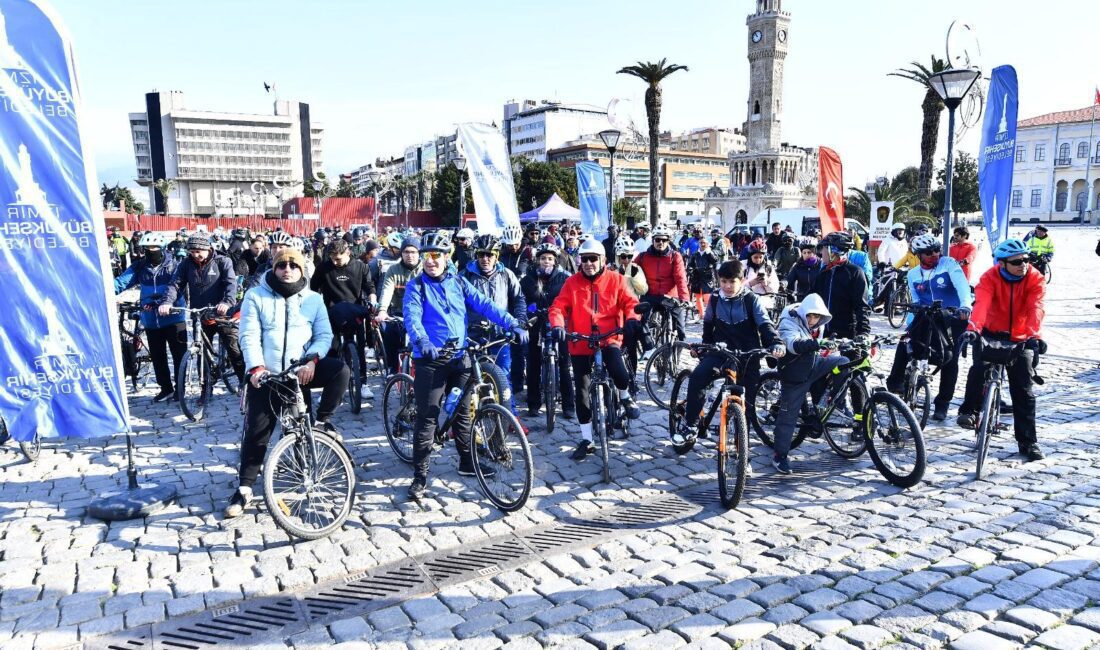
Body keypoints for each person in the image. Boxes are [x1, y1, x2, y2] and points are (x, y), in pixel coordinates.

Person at [403, 230, 529, 500]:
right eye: (426, 256)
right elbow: (412, 317)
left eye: (436, 255)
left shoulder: (459, 283)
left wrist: (512, 323)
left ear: (447, 257)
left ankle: (465, 461)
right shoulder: (417, 286)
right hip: (431, 360)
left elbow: (484, 304)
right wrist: (422, 340)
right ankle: (420, 475)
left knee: (462, 412)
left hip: (459, 356)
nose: (431, 261)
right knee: (428, 416)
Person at [226, 248, 350, 518]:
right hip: (267, 375)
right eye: (282, 265)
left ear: (302, 269)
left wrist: (311, 361)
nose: (288, 269)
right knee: (257, 434)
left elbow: (323, 336)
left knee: (340, 370)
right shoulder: (255, 296)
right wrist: (256, 367)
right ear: (274, 267)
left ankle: (322, 422)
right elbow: (248, 335)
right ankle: (244, 488)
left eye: (294, 265)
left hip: (299, 371)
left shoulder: (313, 299)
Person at [673, 260, 785, 446]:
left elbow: (765, 325)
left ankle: (742, 450)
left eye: (732, 282)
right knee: (698, 377)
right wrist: (704, 348)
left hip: (748, 355)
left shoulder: (751, 300)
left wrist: (775, 342)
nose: (727, 286)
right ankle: (691, 425)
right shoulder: (716, 298)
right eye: (723, 281)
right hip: (720, 352)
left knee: (746, 404)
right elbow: (708, 326)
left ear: (741, 280)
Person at [549, 238, 641, 460]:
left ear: (603, 260)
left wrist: (631, 319)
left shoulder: (616, 280)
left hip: (608, 337)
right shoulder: (571, 282)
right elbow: (558, 307)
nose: (589, 263)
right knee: (582, 393)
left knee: (619, 370)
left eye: (593, 259)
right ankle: (587, 439)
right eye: (584, 259)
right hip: (580, 341)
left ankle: (625, 397)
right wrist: (558, 325)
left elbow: (631, 303)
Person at [956, 239, 1046, 461]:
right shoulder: (989, 277)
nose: (1023, 264)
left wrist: (1035, 336)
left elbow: (1036, 307)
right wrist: (973, 329)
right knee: (978, 369)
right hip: (990, 333)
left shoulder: (1035, 278)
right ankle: (969, 411)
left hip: (1020, 337)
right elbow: (982, 305)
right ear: (1002, 263)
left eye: (1026, 259)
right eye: (1016, 261)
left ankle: (1028, 442)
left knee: (1024, 391)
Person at [885, 234, 972, 421]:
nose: (934, 254)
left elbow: (962, 287)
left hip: (952, 317)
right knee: (905, 342)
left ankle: (942, 404)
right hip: (927, 316)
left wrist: (965, 306)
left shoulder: (949, 264)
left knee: (950, 360)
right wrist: (910, 324)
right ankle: (896, 383)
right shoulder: (913, 274)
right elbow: (915, 302)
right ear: (918, 255)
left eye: (936, 250)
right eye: (928, 252)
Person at [772, 294, 847, 473]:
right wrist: (818, 343)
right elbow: (793, 344)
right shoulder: (788, 321)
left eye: (817, 316)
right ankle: (779, 456)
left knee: (844, 363)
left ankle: (830, 403)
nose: (813, 320)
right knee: (788, 417)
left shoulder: (817, 325)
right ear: (803, 312)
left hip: (814, 364)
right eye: (810, 316)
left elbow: (822, 344)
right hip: (795, 373)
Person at [158, 232, 245, 384]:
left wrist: (227, 302)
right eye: (191, 252)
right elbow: (175, 284)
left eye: (198, 251)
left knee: (234, 350)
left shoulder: (222, 261)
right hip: (200, 313)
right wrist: (167, 302)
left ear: (208, 248)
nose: (195, 255)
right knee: (201, 352)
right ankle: (205, 388)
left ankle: (246, 385)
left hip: (222, 313)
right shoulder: (186, 264)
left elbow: (231, 284)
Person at [459, 234, 527, 415]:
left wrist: (519, 322)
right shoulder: (465, 275)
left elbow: (519, 299)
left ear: (496, 256)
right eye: (481, 255)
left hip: (500, 335)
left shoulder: (507, 274)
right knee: (468, 378)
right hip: (473, 335)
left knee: (503, 377)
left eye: (489, 255)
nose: (485, 259)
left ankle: (510, 414)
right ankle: (463, 417)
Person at [114, 232, 187, 402]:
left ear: (162, 249)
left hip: (174, 317)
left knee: (179, 355)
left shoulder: (175, 266)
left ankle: (180, 388)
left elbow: (178, 287)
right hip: (150, 319)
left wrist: (165, 303)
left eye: (154, 248)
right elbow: (121, 283)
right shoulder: (140, 267)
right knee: (157, 356)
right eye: (147, 249)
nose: (150, 252)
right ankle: (166, 388)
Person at [311, 239, 376, 400]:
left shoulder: (361, 266)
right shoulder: (324, 268)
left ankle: (363, 383)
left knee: (359, 349)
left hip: (355, 312)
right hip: (330, 313)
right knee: (332, 350)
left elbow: (369, 287)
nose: (335, 262)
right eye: (332, 258)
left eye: (338, 258)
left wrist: (373, 300)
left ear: (347, 253)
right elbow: (313, 289)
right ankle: (330, 390)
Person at [521, 242, 575, 419]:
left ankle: (568, 405)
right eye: (543, 258)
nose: (546, 262)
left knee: (565, 364)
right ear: (537, 260)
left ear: (556, 261)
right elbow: (521, 300)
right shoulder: (528, 278)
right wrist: (528, 311)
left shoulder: (565, 278)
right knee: (533, 363)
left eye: (550, 258)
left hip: (559, 323)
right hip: (536, 322)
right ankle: (533, 404)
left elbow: (572, 301)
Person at [635, 222, 690, 342]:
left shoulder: (675, 256)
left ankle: (679, 349)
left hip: (670, 296)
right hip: (650, 295)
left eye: (664, 240)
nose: (661, 243)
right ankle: (648, 348)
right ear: (653, 240)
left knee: (680, 327)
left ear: (668, 241)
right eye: (658, 239)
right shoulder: (643, 256)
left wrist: (684, 298)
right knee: (639, 320)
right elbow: (631, 273)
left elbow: (680, 277)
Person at [374, 236, 420, 374]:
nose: (410, 255)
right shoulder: (393, 269)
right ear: (401, 253)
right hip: (398, 312)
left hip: (421, 313)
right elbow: (386, 290)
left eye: (413, 252)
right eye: (406, 252)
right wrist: (382, 310)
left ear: (419, 253)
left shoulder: (425, 269)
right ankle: (392, 369)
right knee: (389, 333)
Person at [688, 237, 720, 321]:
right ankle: (701, 314)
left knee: (707, 296)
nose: (702, 244)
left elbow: (715, 261)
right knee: (698, 296)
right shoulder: (695, 254)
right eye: (701, 243)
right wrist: (690, 270)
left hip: (707, 277)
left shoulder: (710, 253)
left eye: (704, 243)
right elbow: (690, 264)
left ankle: (710, 313)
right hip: (697, 276)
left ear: (707, 244)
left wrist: (710, 253)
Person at [744, 240, 779, 313]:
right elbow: (736, 286)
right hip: (747, 300)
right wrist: (750, 284)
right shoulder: (743, 267)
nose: (758, 260)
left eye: (761, 257)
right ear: (750, 256)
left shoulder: (768, 268)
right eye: (755, 257)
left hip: (765, 301)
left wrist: (766, 285)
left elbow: (775, 288)